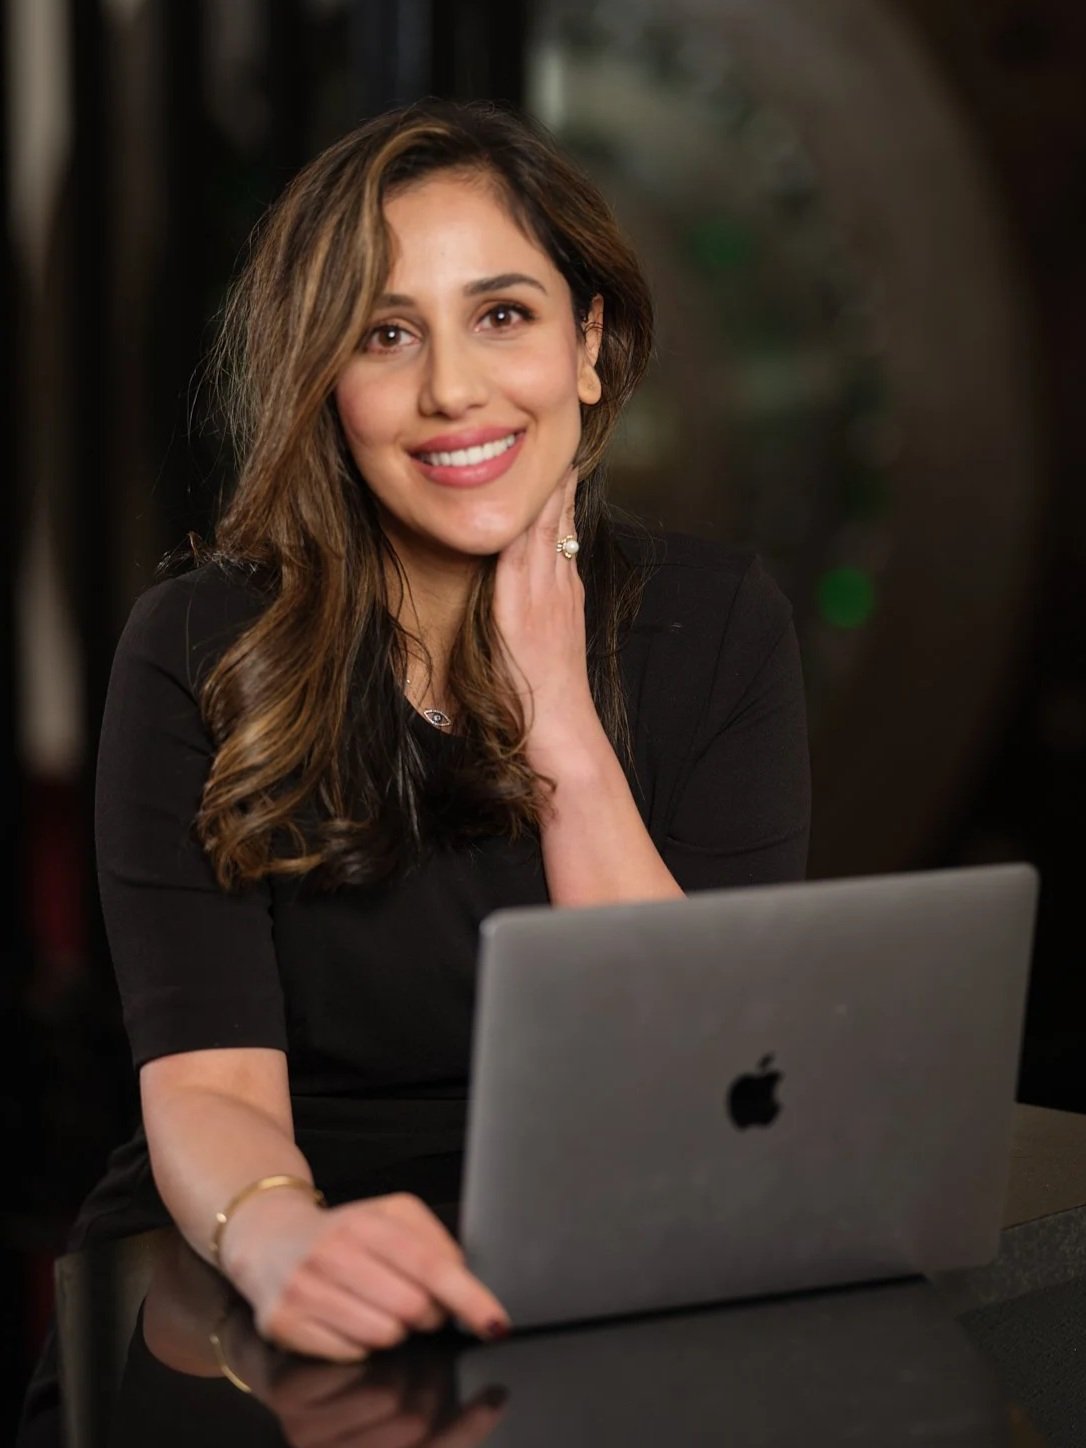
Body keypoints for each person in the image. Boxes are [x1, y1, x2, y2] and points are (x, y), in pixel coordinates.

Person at [35, 95, 812, 1388]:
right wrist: (285, 1240)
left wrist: (556, 720)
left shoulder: (719, 624)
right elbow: (213, 1089)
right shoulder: (196, 644)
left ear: (589, 344)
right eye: (385, 335)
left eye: (501, 315)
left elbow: (709, 1090)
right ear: (328, 385)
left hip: (597, 1261)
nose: (451, 388)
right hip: (251, 1254)